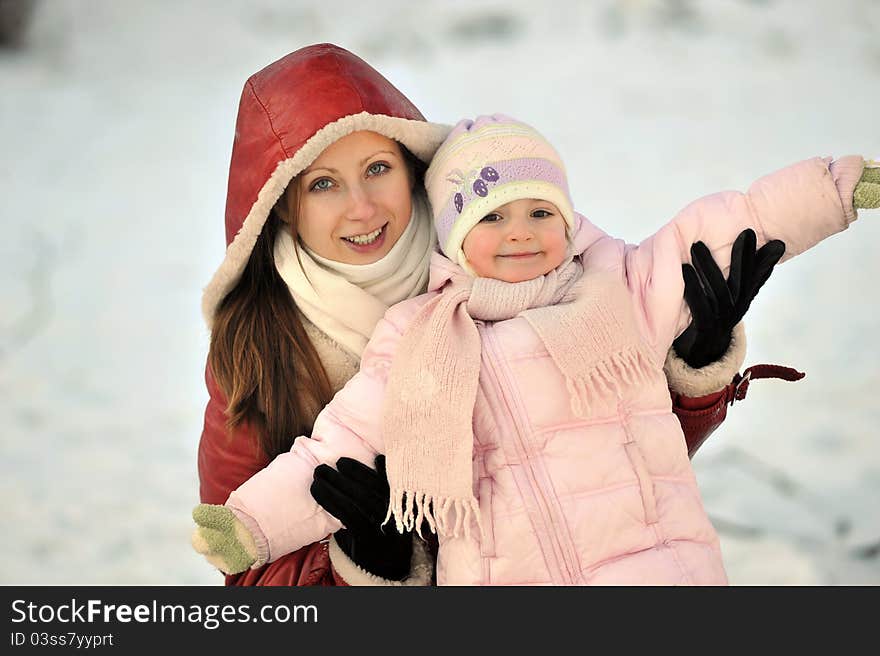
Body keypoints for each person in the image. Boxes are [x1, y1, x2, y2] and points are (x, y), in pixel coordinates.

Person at [191, 113, 879, 584]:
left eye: (540, 212)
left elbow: (736, 221)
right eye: (492, 216)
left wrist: (830, 191)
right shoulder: (420, 337)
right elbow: (333, 453)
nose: (520, 233)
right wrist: (253, 524)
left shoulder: (618, 287)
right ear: (454, 236)